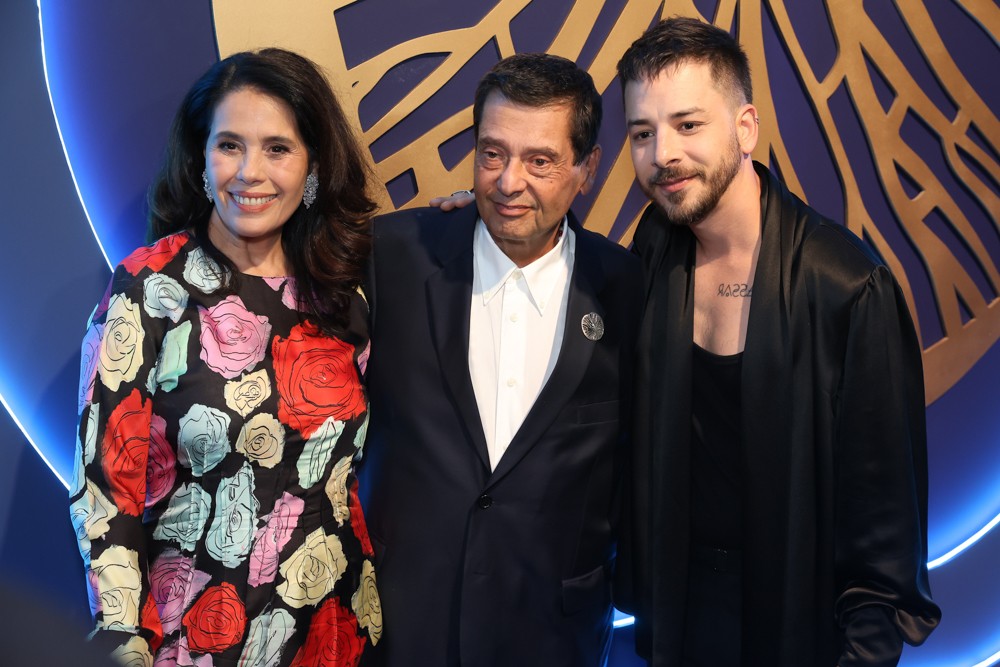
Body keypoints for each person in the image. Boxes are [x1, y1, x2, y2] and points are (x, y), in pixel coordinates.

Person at [613, 17, 941, 666]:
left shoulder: (848, 285)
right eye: (643, 133)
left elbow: (883, 537)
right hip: (676, 620)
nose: (662, 154)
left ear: (746, 128)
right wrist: (480, 226)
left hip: (798, 624)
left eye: (688, 124)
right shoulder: (654, 243)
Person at [70, 48, 382, 665]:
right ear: (200, 158)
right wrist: (123, 632)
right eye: (230, 146)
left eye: (277, 148)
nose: (250, 172)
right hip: (196, 636)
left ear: (313, 167)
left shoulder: (344, 293)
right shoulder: (149, 288)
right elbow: (104, 489)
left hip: (333, 630)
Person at [358, 53, 643, 666]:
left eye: (539, 161)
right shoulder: (392, 257)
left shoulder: (628, 289)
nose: (509, 182)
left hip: (553, 634)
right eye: (493, 154)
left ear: (587, 169)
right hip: (402, 625)